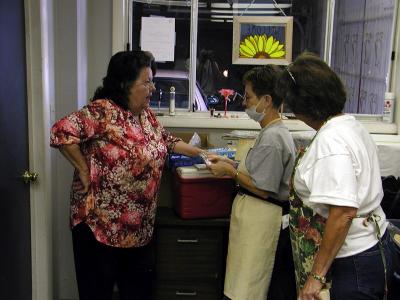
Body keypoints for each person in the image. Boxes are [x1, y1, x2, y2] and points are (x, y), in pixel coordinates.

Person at [50, 50, 203, 300]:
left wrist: (202, 153)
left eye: (152, 81)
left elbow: (166, 140)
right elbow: (61, 132)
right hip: (99, 227)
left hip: (139, 232)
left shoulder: (145, 115)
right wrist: (83, 169)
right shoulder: (102, 112)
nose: (153, 88)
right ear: (124, 83)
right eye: (147, 81)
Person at [275, 52, 398, 300]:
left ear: (303, 106)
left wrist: (316, 277)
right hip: (373, 242)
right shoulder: (349, 125)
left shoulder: (331, 142)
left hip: (354, 259)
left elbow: (342, 213)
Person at [208, 65, 297, 300]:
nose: (245, 102)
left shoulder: (273, 138)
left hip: (263, 220)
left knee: (250, 289)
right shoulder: (270, 132)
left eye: (248, 97)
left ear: (266, 100)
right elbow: (260, 171)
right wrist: (232, 165)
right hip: (254, 218)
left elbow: (264, 188)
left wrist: (231, 172)